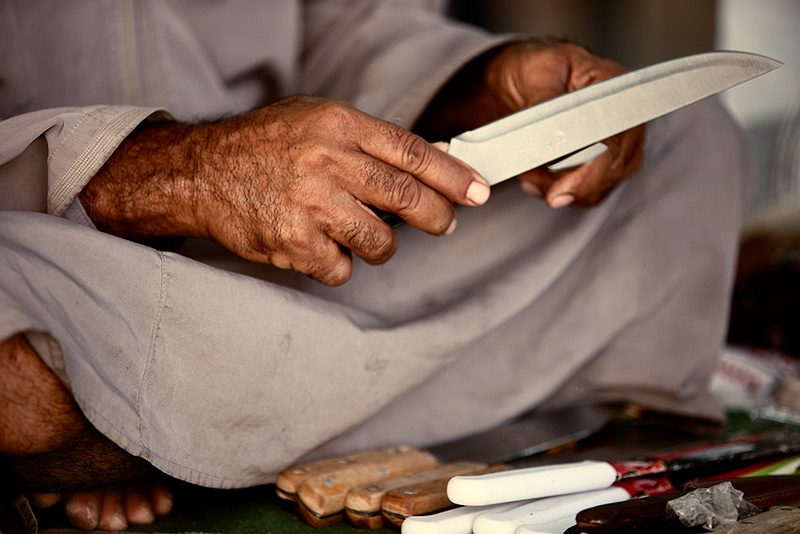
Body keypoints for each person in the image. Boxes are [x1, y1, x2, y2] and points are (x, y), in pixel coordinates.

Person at [0, 0, 753, 532]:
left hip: (294, 258)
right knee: (13, 371)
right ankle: (157, 437)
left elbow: (352, 24)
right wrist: (184, 171)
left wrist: (480, 85)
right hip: (35, 250)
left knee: (680, 138)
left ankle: (137, 438)